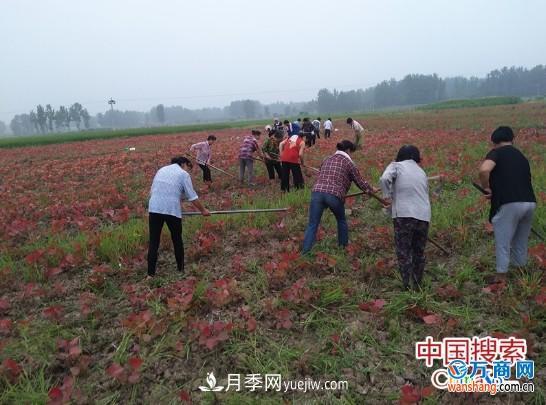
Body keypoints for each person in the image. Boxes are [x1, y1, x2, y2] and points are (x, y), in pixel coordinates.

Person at [478, 126, 536, 278]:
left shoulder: (496, 153)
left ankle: (501, 276)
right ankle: (521, 272)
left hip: (510, 203)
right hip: (529, 202)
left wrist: (486, 188)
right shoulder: (521, 156)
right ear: (512, 139)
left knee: (503, 241)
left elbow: (484, 170)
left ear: (494, 141)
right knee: (520, 240)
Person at [302, 140, 375, 253]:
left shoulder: (327, 159)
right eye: (351, 152)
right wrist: (370, 190)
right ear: (348, 150)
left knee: (312, 224)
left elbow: (320, 174)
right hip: (334, 194)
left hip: (317, 192)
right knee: (341, 220)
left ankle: (305, 252)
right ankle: (343, 247)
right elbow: (360, 181)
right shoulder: (349, 163)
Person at [147, 156, 210, 278]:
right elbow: (192, 196)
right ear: (183, 164)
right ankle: (180, 269)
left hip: (154, 207)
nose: (188, 170)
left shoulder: (161, 170)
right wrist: (203, 210)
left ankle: (150, 274)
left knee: (154, 241)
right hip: (171, 209)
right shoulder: (183, 174)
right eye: (188, 167)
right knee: (177, 240)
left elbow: (153, 191)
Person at [380, 145, 431, 290]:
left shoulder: (396, 166)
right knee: (418, 252)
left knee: (404, 251)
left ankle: (406, 285)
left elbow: (384, 179)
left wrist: (387, 196)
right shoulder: (421, 172)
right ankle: (417, 284)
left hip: (404, 215)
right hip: (424, 216)